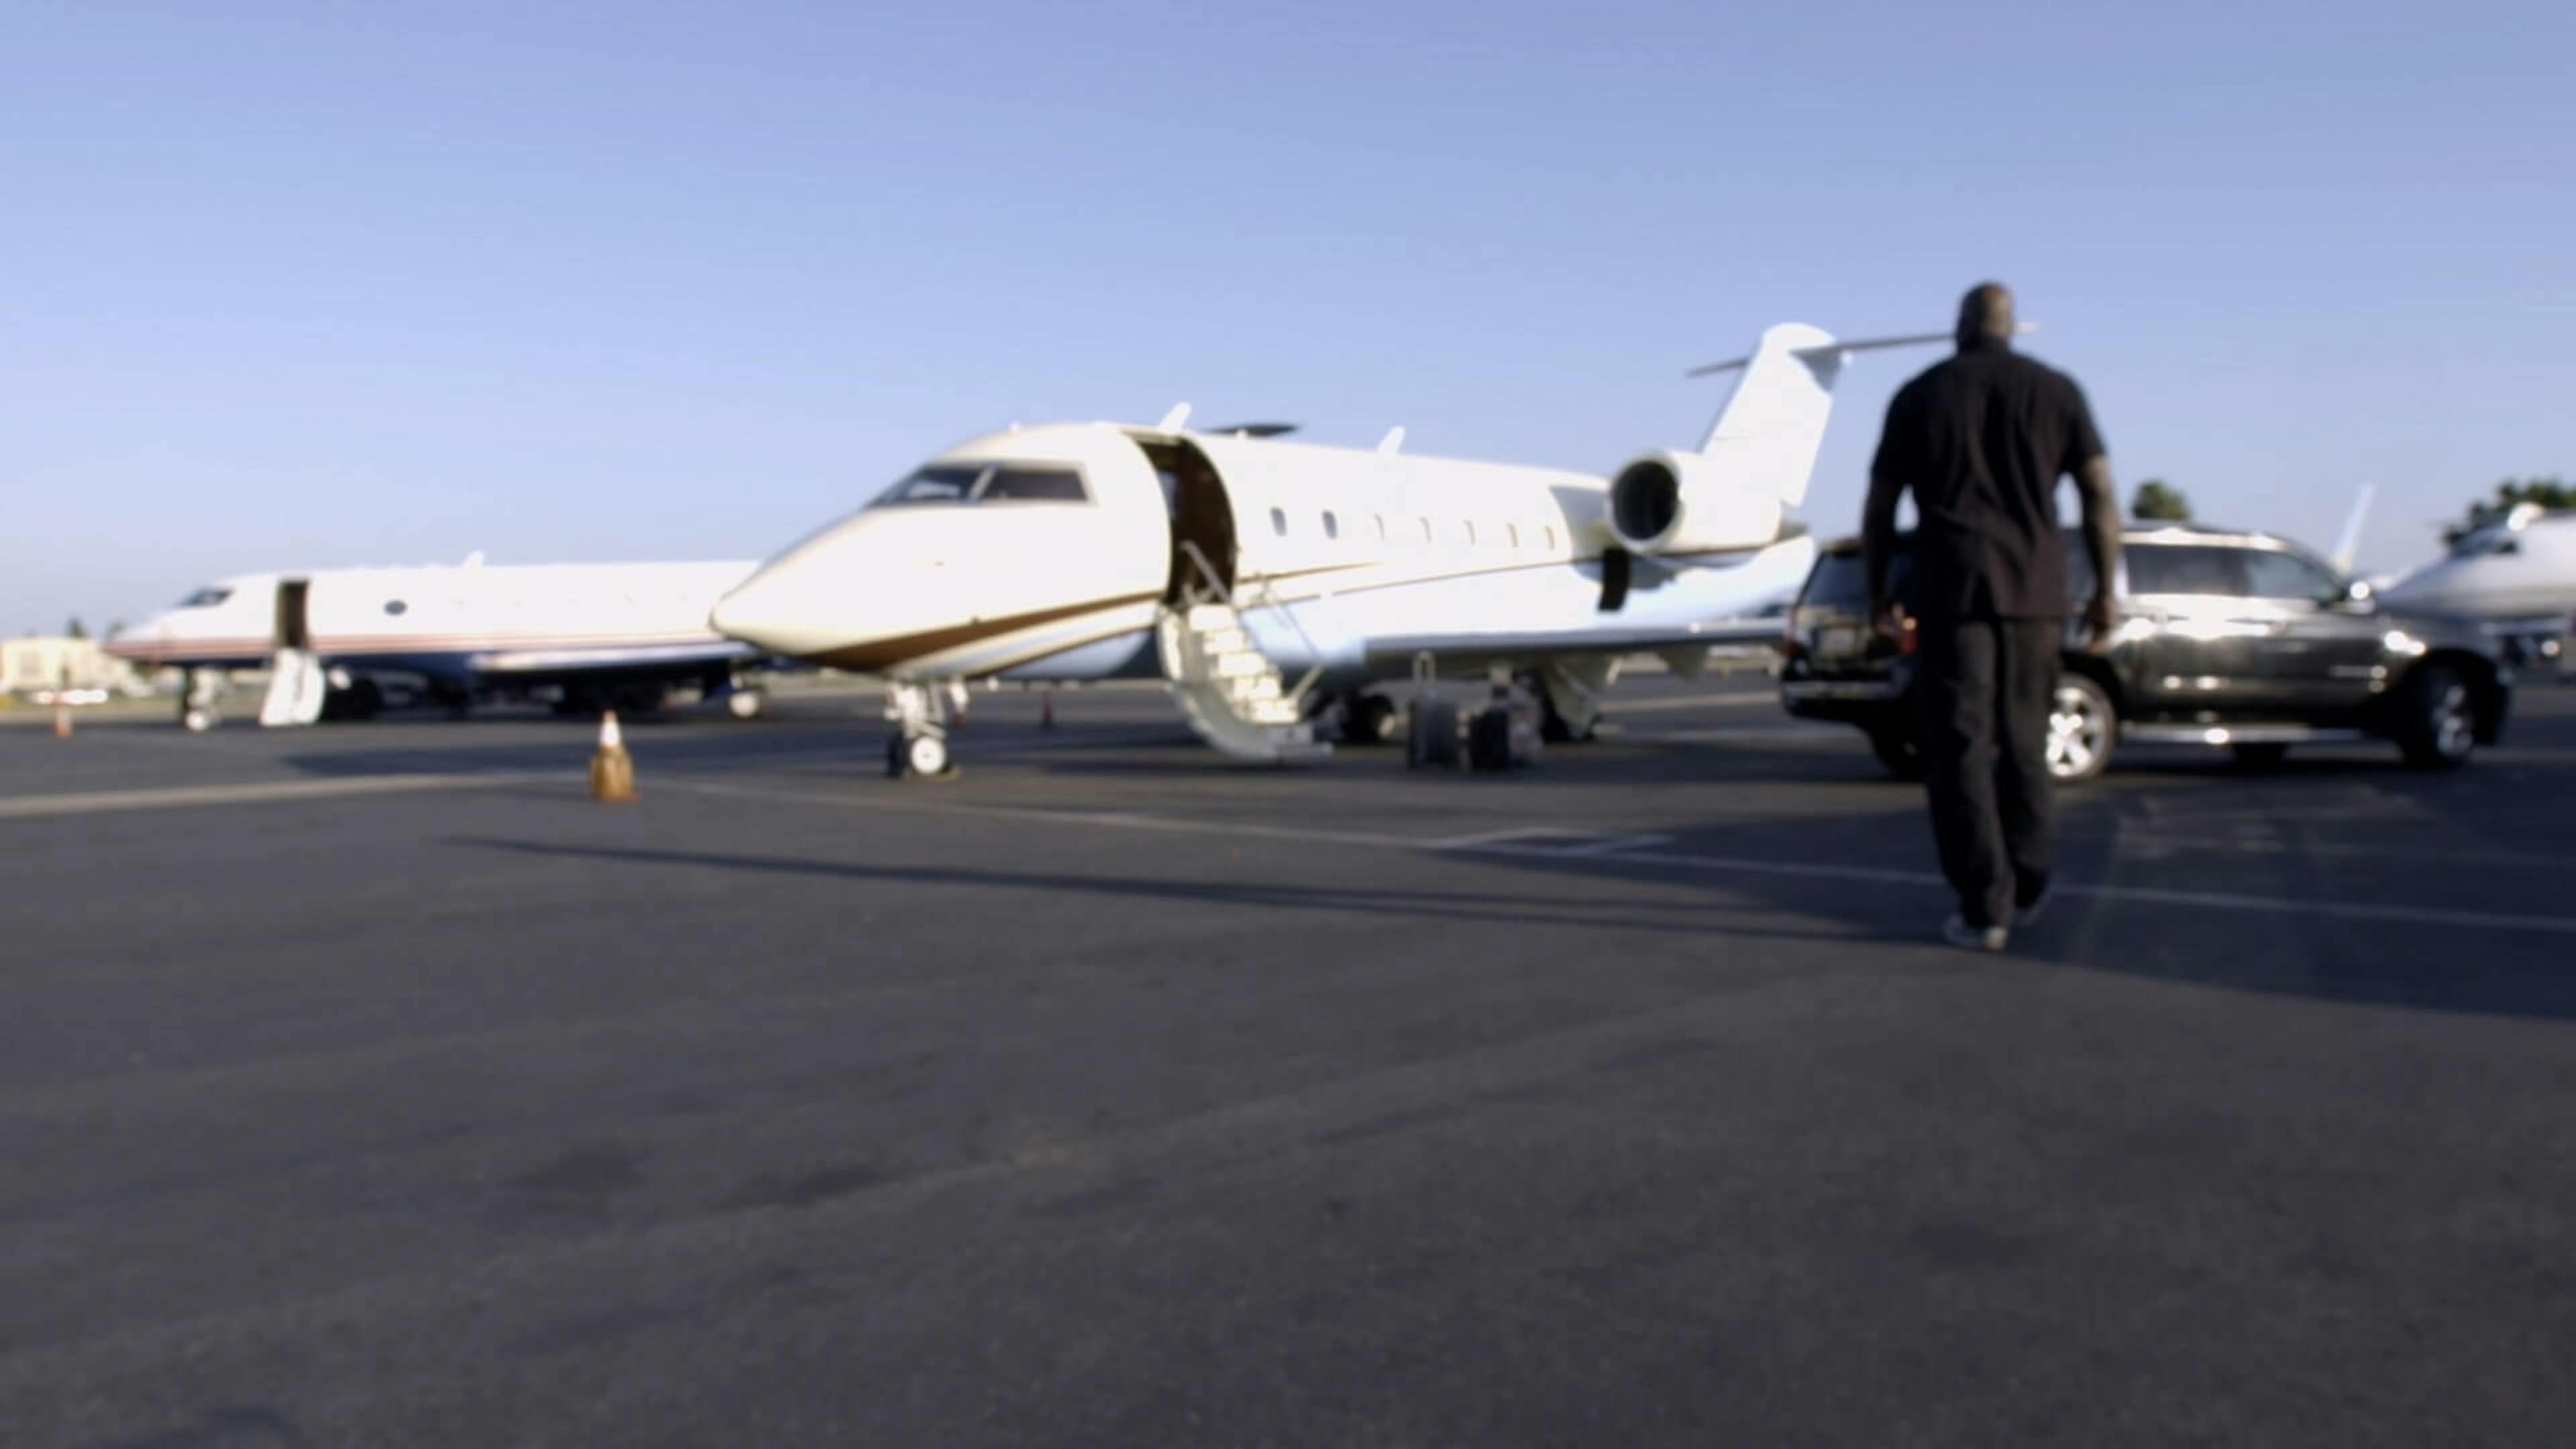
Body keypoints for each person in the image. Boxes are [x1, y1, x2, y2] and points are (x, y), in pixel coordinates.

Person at [1862, 283, 2121, 951]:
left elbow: (1881, 504)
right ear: (2012, 328)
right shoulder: (2058, 391)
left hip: (1950, 591)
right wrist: (2105, 590)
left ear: (1959, 327)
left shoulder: (1920, 394)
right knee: (2026, 740)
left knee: (1959, 751)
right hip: (2036, 592)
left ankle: (1985, 904)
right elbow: (2098, 494)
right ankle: (2029, 880)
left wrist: (1876, 592)